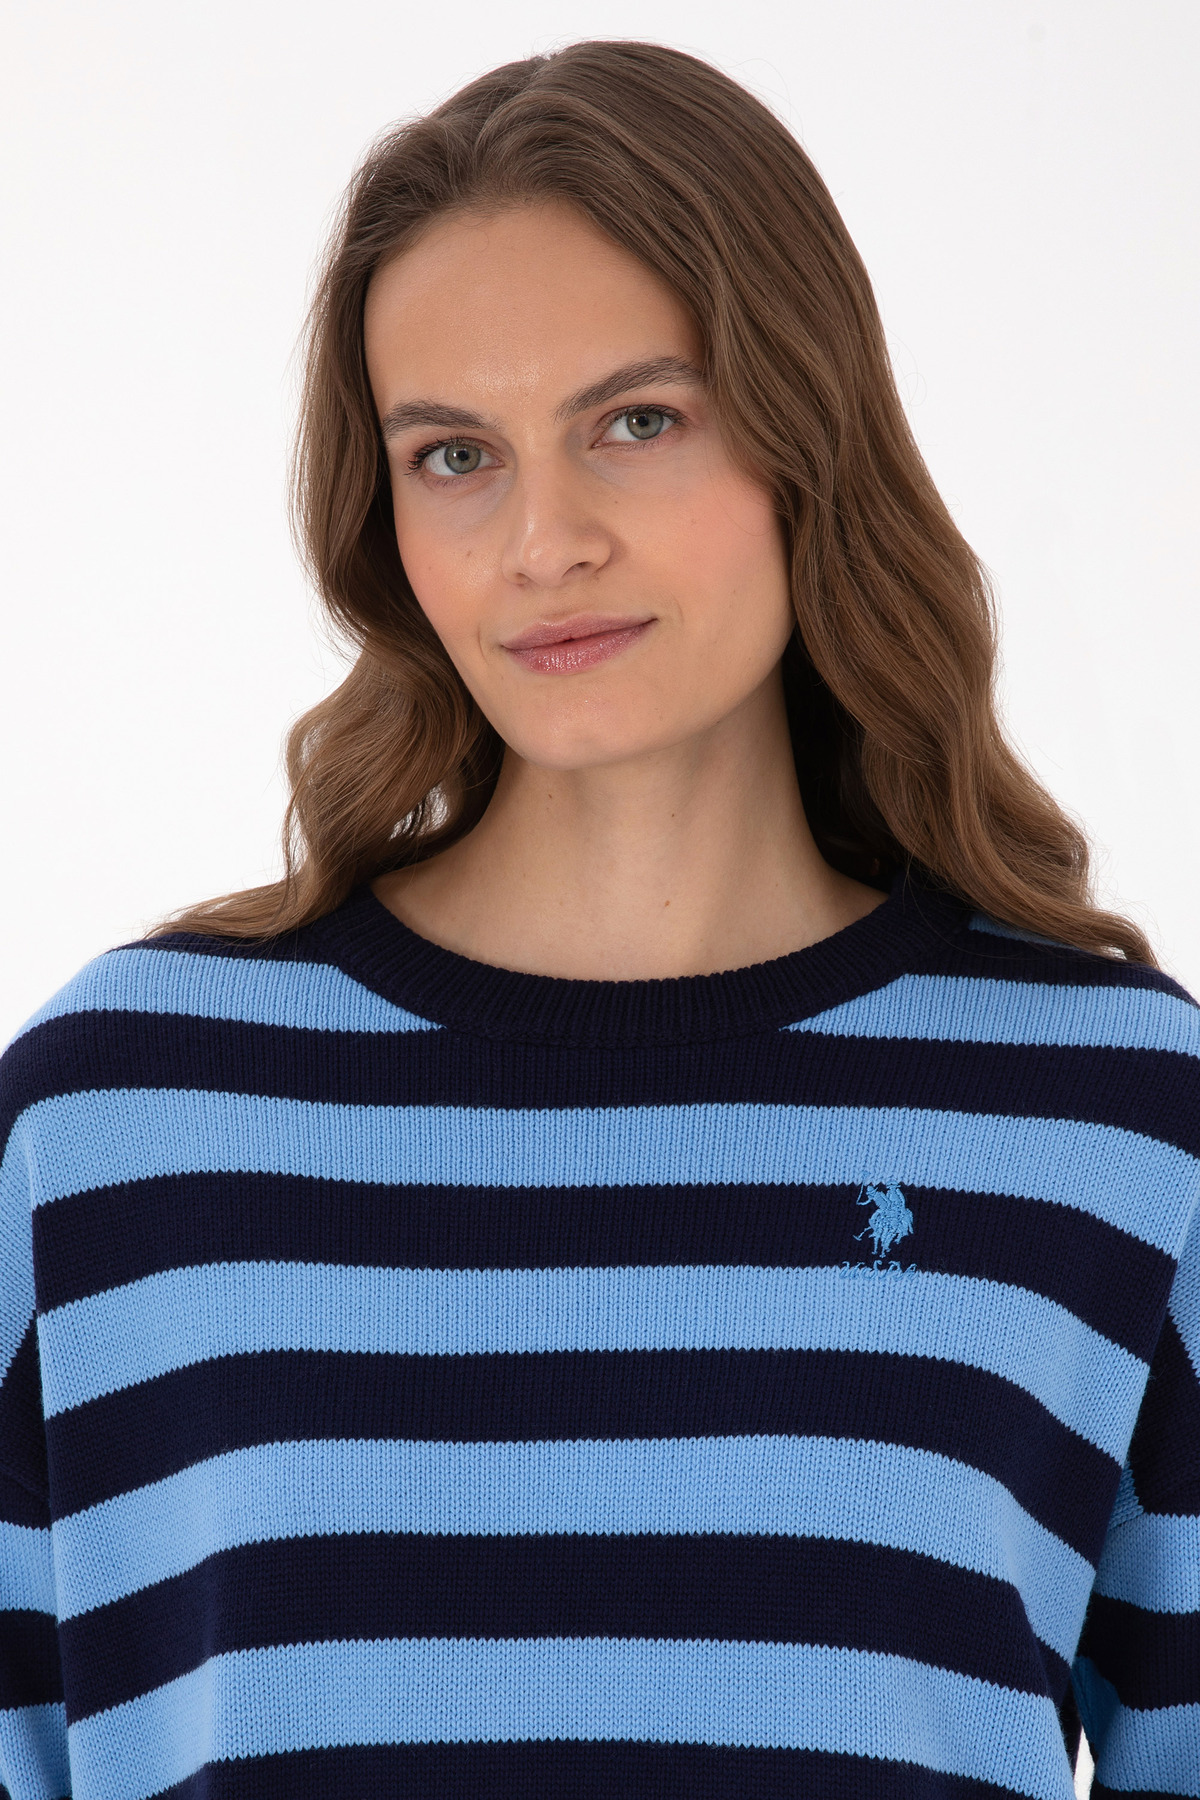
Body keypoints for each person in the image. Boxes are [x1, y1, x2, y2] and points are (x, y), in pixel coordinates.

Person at [1, 39, 1196, 1800]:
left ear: (807, 439)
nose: (541, 541)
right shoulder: (116, 1122)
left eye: (638, 421)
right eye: (455, 454)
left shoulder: (1113, 1117)